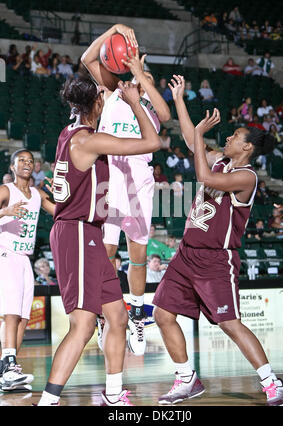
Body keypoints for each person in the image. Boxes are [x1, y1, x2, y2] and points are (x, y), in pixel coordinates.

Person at [153, 74, 283, 407]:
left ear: (247, 147)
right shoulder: (221, 160)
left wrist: (201, 136)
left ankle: (272, 384)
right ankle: (187, 379)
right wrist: (180, 100)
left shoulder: (246, 177)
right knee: (162, 313)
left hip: (216, 259)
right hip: (187, 254)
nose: (228, 138)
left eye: (234, 136)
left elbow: (202, 175)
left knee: (230, 323)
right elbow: (191, 141)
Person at [35, 73, 161, 406]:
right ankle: (48, 402)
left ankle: (114, 395)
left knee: (117, 317)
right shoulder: (89, 139)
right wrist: (135, 103)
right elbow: (152, 143)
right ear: (98, 103)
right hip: (76, 231)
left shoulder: (69, 132)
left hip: (88, 232)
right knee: (83, 324)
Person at [81, 23, 170, 357]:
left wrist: (140, 74)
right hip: (108, 177)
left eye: (141, 62)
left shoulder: (144, 95)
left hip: (139, 180)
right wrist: (114, 29)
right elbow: (88, 58)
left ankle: (135, 312)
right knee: (105, 254)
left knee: (139, 256)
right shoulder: (109, 91)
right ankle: (107, 313)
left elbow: (164, 114)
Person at [0, 149, 55, 392]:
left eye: (30, 161)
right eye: (21, 160)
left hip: (24, 258)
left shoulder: (36, 194)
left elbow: (60, 212)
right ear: (12, 167)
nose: (26, 163)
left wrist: (64, 194)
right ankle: (10, 364)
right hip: (5, 253)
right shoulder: (5, 191)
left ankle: (7, 370)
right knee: (11, 313)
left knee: (23, 317)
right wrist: (5, 212)